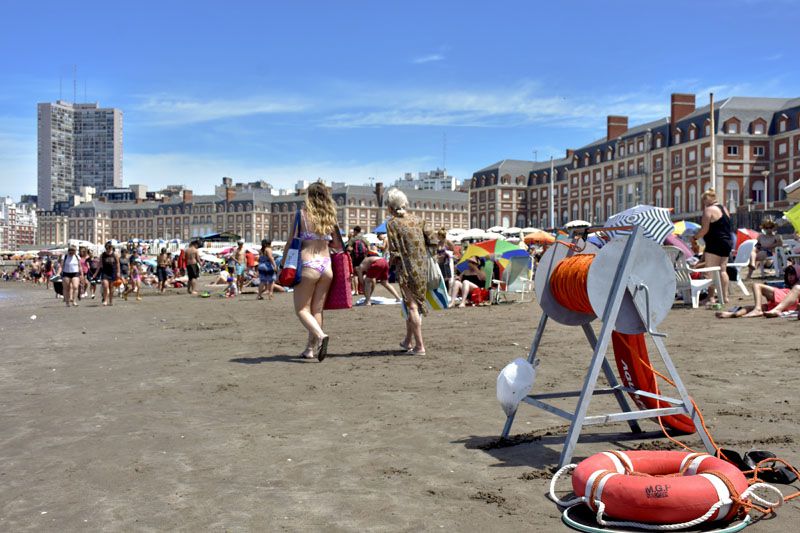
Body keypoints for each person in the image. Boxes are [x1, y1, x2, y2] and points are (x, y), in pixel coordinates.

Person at [283, 181, 337, 361]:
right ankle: (310, 349)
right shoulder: (331, 217)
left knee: (301, 310)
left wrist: (284, 263)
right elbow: (337, 244)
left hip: (308, 265)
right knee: (317, 310)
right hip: (326, 266)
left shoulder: (302, 215)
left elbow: (291, 241)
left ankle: (321, 336)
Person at [386, 188, 433, 355]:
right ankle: (408, 340)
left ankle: (420, 346)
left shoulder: (392, 223)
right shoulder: (418, 220)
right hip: (422, 267)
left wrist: (391, 264)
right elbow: (433, 240)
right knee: (413, 305)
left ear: (390, 207)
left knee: (412, 306)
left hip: (405, 268)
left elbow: (393, 250)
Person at [693, 189, 732, 306]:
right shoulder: (724, 208)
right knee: (723, 270)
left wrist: (694, 238)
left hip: (715, 243)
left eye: (703, 200)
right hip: (726, 242)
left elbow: (705, 229)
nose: (703, 203)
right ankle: (724, 297)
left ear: (706, 199)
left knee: (710, 271)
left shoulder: (709, 210)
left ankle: (710, 298)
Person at [717, 265, 800, 318]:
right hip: (784, 300)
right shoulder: (789, 286)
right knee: (749, 307)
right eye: (788, 275)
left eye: (793, 274)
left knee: (757, 285)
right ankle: (733, 314)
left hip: (788, 298)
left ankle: (758, 309)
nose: (790, 277)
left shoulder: (797, 286)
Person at [346, 226, 370, 294]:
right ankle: (363, 289)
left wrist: (352, 251)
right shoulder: (364, 238)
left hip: (355, 258)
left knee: (356, 274)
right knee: (364, 273)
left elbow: (349, 248)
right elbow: (369, 248)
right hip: (363, 258)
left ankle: (356, 291)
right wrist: (366, 255)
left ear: (355, 231)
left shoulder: (353, 239)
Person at [100, 241, 121, 306]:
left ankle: (111, 300)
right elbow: (100, 264)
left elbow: (118, 264)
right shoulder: (103, 255)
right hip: (105, 272)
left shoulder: (115, 255)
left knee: (111, 288)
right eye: (107, 248)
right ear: (105, 248)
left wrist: (118, 272)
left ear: (112, 248)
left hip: (113, 273)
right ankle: (105, 300)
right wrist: (97, 272)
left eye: (110, 248)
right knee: (105, 286)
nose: (108, 249)